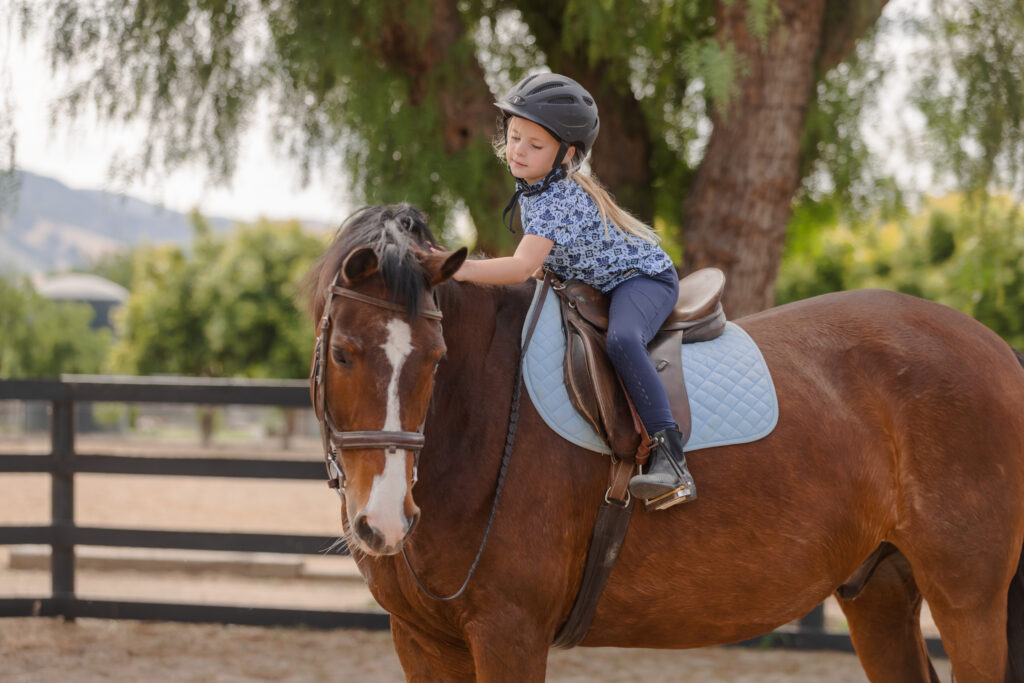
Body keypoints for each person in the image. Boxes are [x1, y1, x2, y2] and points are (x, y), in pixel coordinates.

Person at [450, 71, 697, 511]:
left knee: (622, 339)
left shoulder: (556, 196)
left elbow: (522, 266)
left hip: (643, 279)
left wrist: (457, 270)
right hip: (598, 281)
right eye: (514, 136)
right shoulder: (534, 189)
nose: (519, 150)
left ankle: (670, 453)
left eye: (535, 144)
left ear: (566, 156)